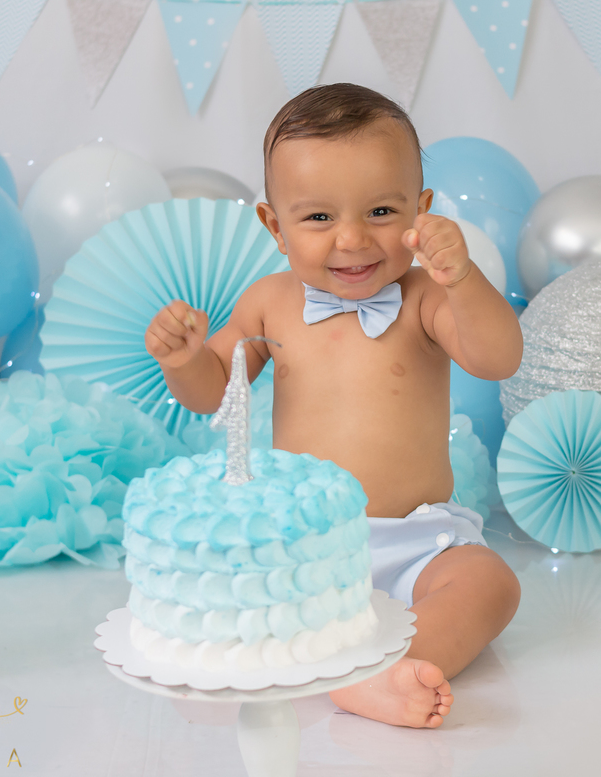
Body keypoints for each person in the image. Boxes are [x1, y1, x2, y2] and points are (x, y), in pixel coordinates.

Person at [144, 83, 522, 728]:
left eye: (380, 211)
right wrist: (183, 361)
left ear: (421, 209)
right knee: (228, 576)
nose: (351, 240)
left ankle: (384, 669)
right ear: (275, 225)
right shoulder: (268, 302)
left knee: (490, 585)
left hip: (416, 541)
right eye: (318, 218)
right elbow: (217, 393)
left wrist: (461, 279)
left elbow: (498, 359)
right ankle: (318, 654)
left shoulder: (425, 298)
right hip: (302, 546)